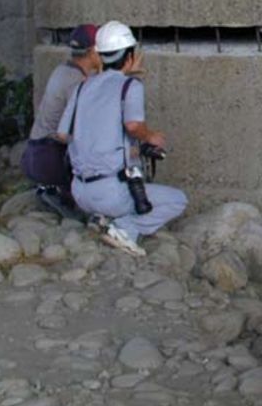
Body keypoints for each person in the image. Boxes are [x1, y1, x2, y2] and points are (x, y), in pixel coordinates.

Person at [56, 20, 188, 256]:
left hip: (80, 192)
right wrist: (151, 138)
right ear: (129, 56)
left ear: (100, 55)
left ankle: (101, 220)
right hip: (110, 194)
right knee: (177, 200)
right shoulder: (130, 87)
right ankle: (124, 229)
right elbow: (133, 125)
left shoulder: (81, 88)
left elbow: (63, 134)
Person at [21, 24, 102, 217]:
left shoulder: (62, 70)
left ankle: (53, 191)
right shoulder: (78, 82)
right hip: (50, 158)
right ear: (92, 51)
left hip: (33, 155)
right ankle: (67, 196)